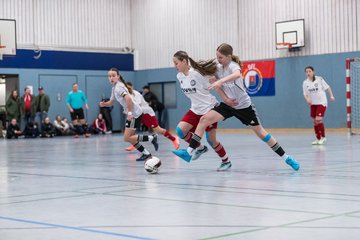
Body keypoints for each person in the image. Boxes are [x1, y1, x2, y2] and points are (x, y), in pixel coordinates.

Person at [173, 43, 300, 171]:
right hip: (228, 105)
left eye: (221, 57)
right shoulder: (218, 67)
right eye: (217, 57)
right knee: (204, 120)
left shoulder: (233, 66)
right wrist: (225, 98)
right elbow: (213, 82)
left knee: (262, 134)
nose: (218, 60)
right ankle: (189, 152)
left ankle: (286, 158)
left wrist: (220, 81)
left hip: (244, 107)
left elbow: (237, 75)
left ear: (229, 57)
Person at [172, 51, 238, 171]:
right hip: (195, 109)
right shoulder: (179, 76)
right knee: (180, 131)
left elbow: (215, 85)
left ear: (184, 61)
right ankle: (200, 148)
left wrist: (226, 99)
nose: (175, 66)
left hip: (209, 108)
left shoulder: (197, 74)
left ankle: (226, 161)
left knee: (211, 140)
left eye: (176, 63)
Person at [99, 67, 158, 161]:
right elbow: (111, 102)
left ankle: (151, 138)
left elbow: (128, 99)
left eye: (113, 76)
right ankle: (146, 153)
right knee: (130, 138)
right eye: (109, 76)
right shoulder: (115, 87)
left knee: (127, 138)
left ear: (118, 76)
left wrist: (130, 113)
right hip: (134, 113)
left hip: (135, 114)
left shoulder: (119, 87)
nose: (111, 78)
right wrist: (105, 104)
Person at [125, 82, 179, 151]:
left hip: (146, 113)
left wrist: (129, 112)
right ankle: (135, 145)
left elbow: (137, 105)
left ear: (131, 87)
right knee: (132, 130)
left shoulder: (135, 94)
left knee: (158, 130)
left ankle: (174, 139)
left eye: (128, 87)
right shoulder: (126, 95)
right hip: (137, 114)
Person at [303, 66, 335, 145]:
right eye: (306, 72)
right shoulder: (305, 83)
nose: (308, 73)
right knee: (314, 122)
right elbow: (305, 94)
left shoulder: (319, 79)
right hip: (313, 104)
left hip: (321, 102)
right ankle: (318, 138)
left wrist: (331, 95)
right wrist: (307, 99)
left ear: (313, 72)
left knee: (318, 120)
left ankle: (323, 137)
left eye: (309, 71)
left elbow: (327, 87)